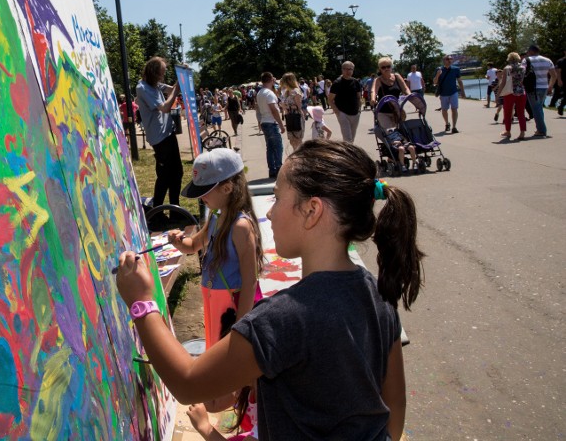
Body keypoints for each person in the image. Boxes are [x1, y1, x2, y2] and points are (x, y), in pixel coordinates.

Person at [116, 140, 424, 441]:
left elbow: (187, 384)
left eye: (277, 198)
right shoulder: (377, 294)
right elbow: (394, 406)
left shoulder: (282, 318)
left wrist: (143, 303)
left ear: (312, 210)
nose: (271, 213)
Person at [166, 148, 264, 348]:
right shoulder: (216, 217)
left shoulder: (240, 226)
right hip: (216, 302)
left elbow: (250, 282)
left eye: (204, 192)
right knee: (217, 351)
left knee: (233, 362)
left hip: (234, 306)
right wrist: (178, 242)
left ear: (227, 188)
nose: (201, 198)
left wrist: (241, 326)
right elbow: (193, 245)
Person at [135, 56, 184, 209]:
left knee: (177, 173)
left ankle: (174, 209)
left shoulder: (155, 84)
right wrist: (175, 92)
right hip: (159, 139)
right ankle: (157, 211)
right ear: (153, 72)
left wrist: (182, 75)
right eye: (161, 73)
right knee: (165, 176)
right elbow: (164, 107)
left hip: (168, 133)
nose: (162, 76)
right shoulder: (143, 88)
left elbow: (171, 88)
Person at [255, 72, 286, 178]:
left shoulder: (260, 93)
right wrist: (281, 125)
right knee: (278, 147)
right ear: (270, 80)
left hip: (265, 121)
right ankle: (278, 169)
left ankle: (272, 170)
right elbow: (274, 110)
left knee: (270, 147)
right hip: (271, 122)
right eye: (273, 78)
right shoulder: (269, 93)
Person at [523, 44, 557, 137]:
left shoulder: (526, 60)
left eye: (528, 51)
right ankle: (539, 128)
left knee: (536, 108)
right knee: (539, 107)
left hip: (532, 87)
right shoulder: (547, 60)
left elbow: (522, 73)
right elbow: (554, 75)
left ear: (531, 51)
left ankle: (542, 130)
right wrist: (550, 86)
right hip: (544, 87)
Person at [328, 61, 363, 142]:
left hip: (355, 113)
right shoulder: (337, 83)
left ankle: (348, 152)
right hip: (343, 113)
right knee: (347, 138)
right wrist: (337, 112)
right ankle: (348, 154)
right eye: (346, 69)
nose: (349, 71)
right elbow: (330, 99)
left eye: (351, 69)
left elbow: (359, 97)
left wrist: (359, 110)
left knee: (352, 138)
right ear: (342, 70)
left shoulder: (356, 82)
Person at [432, 54, 465, 133]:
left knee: (454, 109)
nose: (449, 60)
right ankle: (447, 123)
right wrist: (437, 75)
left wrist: (463, 91)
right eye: (447, 59)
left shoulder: (456, 69)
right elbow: (435, 82)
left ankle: (454, 127)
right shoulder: (439, 69)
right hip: (443, 93)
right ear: (444, 60)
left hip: (453, 92)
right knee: (444, 110)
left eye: (451, 59)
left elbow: (459, 80)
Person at [497, 52, 526, 140]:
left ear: (509, 59)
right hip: (521, 91)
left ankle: (508, 131)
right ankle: (522, 132)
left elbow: (504, 82)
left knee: (508, 112)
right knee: (521, 113)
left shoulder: (507, 68)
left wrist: (498, 94)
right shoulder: (523, 67)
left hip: (510, 92)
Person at [280, 73, 307, 151]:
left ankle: (300, 156)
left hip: (296, 116)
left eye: (284, 80)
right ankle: (296, 154)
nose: (282, 82)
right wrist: (283, 106)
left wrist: (286, 106)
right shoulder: (286, 92)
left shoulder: (296, 91)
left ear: (288, 81)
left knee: (297, 139)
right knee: (292, 140)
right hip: (289, 116)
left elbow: (298, 107)